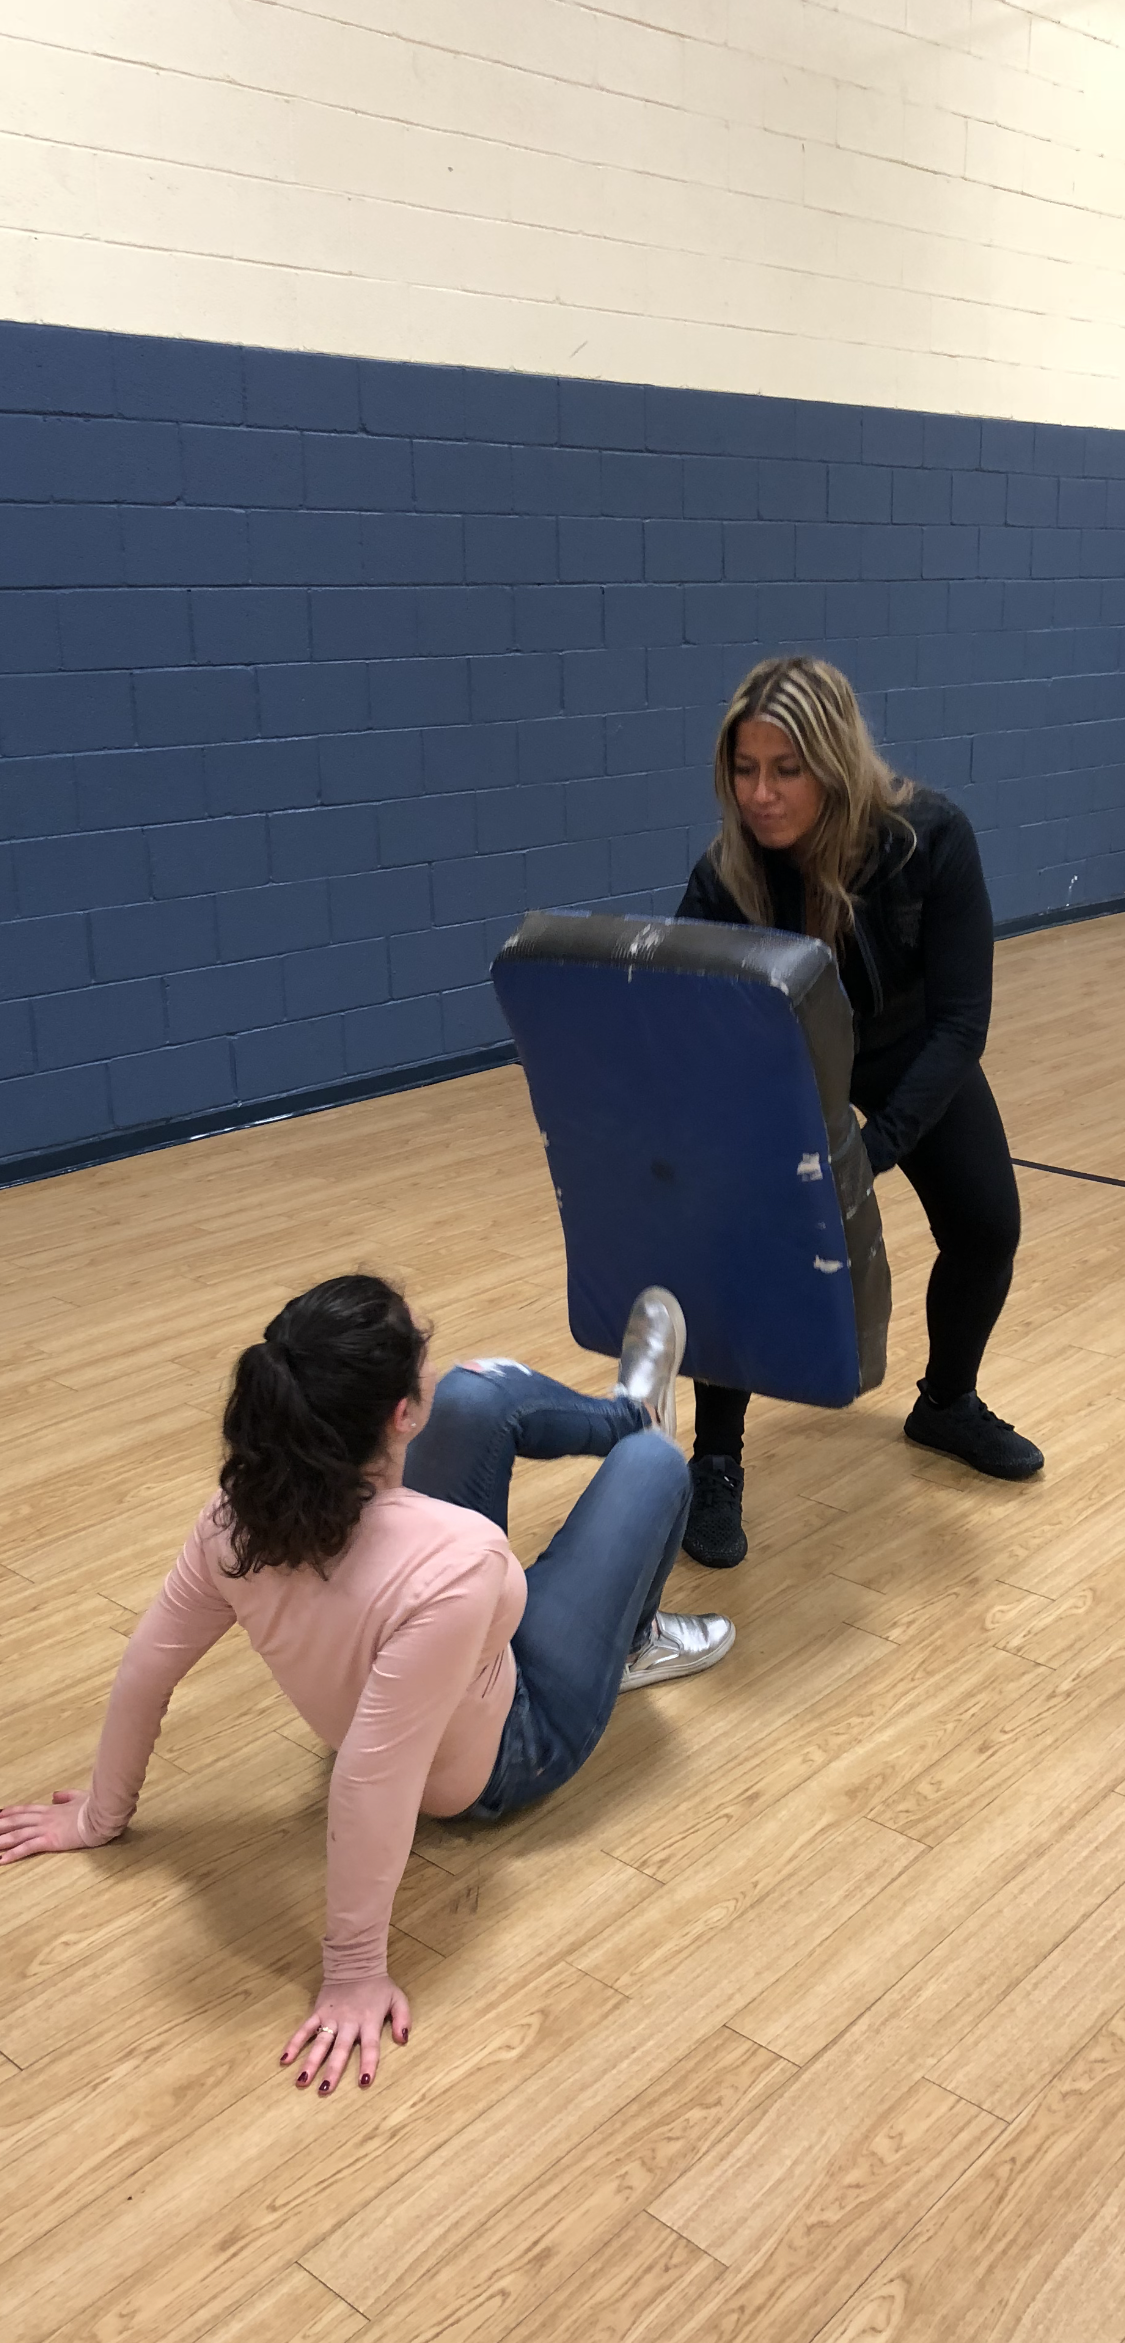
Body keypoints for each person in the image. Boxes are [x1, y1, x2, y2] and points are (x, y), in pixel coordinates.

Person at [0, 1276, 732, 2095]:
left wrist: (102, 1814)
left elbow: (147, 1667)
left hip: (434, 1667)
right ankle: (635, 1636)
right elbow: (371, 1779)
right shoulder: (459, 1556)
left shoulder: (234, 1516)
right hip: (508, 1747)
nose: (428, 1366)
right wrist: (352, 1972)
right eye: (418, 1360)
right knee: (654, 1465)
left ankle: (626, 1409)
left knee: (475, 1393)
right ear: (400, 1415)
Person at [677, 654, 1043, 1571]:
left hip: (907, 1045)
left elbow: (960, 1024)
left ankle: (946, 1404)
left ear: (835, 764)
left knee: (986, 1227)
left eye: (785, 769)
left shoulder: (930, 839)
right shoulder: (724, 876)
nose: (760, 794)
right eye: (744, 769)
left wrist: (870, 1150)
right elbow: (687, 1015)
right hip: (783, 1063)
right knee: (735, 1243)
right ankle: (714, 1461)